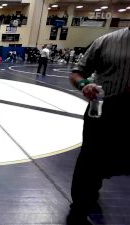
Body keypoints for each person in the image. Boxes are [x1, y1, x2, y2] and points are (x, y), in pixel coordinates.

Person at [67, 27, 130, 225]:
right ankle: (80, 207)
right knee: (90, 162)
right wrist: (84, 84)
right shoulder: (106, 41)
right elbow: (77, 73)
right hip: (106, 112)